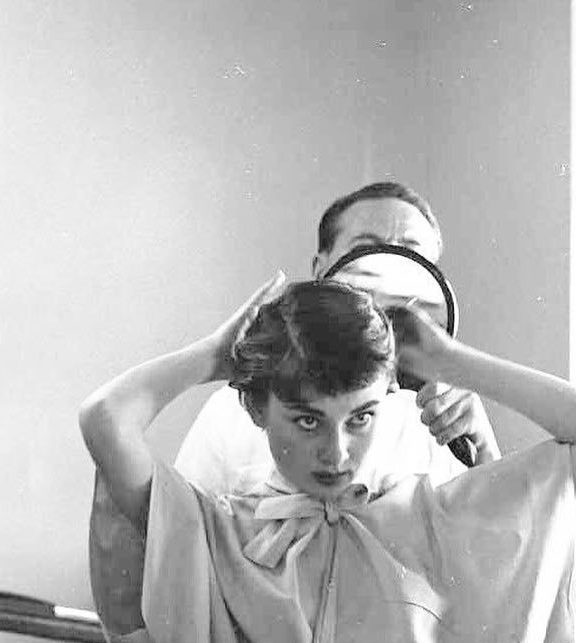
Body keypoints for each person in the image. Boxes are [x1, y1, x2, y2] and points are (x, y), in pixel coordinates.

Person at [81, 280, 576, 643]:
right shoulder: (210, 534)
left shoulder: (435, 517)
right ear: (254, 407)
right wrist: (212, 356)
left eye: (361, 417)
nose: (337, 452)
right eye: (307, 420)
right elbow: (105, 420)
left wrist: (450, 361)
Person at [173, 181, 501, 494]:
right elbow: (178, 535)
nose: (389, 271)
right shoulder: (233, 411)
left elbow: (491, 541)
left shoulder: (436, 420)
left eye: (411, 254)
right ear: (321, 268)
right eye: (367, 249)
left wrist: (484, 447)